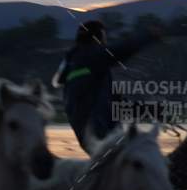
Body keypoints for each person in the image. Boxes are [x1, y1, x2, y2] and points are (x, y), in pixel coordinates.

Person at [52, 19, 162, 149]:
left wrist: (150, 110)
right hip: (103, 136)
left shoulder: (77, 66)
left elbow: (116, 108)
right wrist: (148, 35)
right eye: (104, 38)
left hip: (94, 139)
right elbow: (122, 50)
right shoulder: (90, 56)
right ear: (98, 37)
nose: (106, 43)